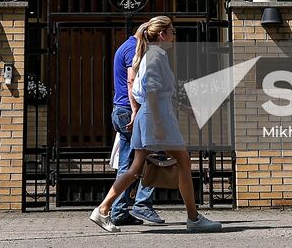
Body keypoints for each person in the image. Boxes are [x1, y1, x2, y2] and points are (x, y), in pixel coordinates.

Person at [90, 16, 221, 234]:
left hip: (149, 115)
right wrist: (159, 124)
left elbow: (153, 91)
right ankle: (193, 217)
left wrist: (184, 109)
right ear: (162, 34)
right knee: (183, 162)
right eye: (173, 32)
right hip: (156, 117)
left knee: (136, 168)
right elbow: (150, 89)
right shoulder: (156, 55)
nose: (174, 36)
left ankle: (103, 209)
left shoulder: (149, 54)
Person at [110, 28, 163, 226]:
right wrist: (135, 110)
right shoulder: (134, 49)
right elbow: (132, 80)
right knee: (154, 156)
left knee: (128, 162)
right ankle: (142, 204)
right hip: (130, 110)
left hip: (119, 109)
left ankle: (118, 211)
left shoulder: (125, 46)